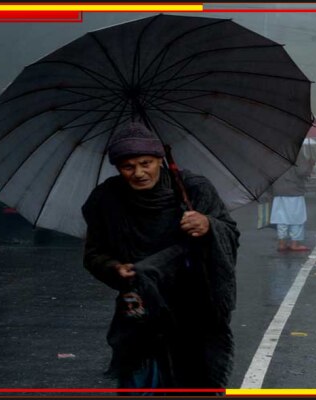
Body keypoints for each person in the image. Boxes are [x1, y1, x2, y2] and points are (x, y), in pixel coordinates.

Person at [81, 122, 240, 394]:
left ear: (160, 160)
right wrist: (115, 268)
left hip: (194, 305)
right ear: (118, 168)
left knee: (194, 380)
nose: (139, 173)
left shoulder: (193, 189)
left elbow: (230, 232)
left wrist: (207, 224)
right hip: (141, 305)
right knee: (140, 380)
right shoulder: (106, 199)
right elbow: (94, 253)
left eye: (146, 163)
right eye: (128, 166)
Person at [270, 150, 315, 252]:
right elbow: (302, 171)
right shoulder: (295, 152)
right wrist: (310, 165)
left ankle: (282, 243)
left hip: (278, 190)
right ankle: (295, 244)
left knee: (281, 217)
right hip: (293, 190)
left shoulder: (274, 152)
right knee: (297, 218)